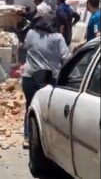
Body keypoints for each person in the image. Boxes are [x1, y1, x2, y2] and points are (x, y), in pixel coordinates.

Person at [21, 13, 71, 148]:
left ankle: (27, 137)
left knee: (30, 106)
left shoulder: (31, 33)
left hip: (29, 76)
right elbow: (66, 57)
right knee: (49, 109)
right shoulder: (57, 37)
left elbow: (25, 47)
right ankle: (49, 140)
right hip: (49, 78)